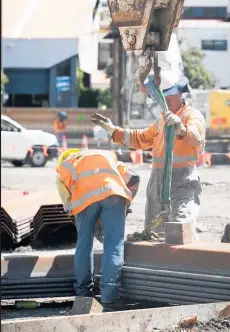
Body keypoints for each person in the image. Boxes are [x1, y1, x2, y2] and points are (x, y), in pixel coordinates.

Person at [91, 73, 205, 238]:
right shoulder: (161, 121)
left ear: (180, 92)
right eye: (162, 96)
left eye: (169, 94)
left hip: (181, 182)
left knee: (181, 228)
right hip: (157, 182)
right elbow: (141, 138)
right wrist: (114, 131)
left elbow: (196, 136)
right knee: (154, 231)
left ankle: (184, 260)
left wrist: (181, 129)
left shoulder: (191, 115)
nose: (165, 99)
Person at [56, 148, 140, 312]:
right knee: (114, 245)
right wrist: (125, 207)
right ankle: (109, 298)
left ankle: (83, 295)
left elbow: (69, 207)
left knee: (84, 244)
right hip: (115, 195)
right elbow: (134, 178)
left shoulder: (63, 168)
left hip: (84, 200)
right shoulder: (107, 154)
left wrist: (90, 224)